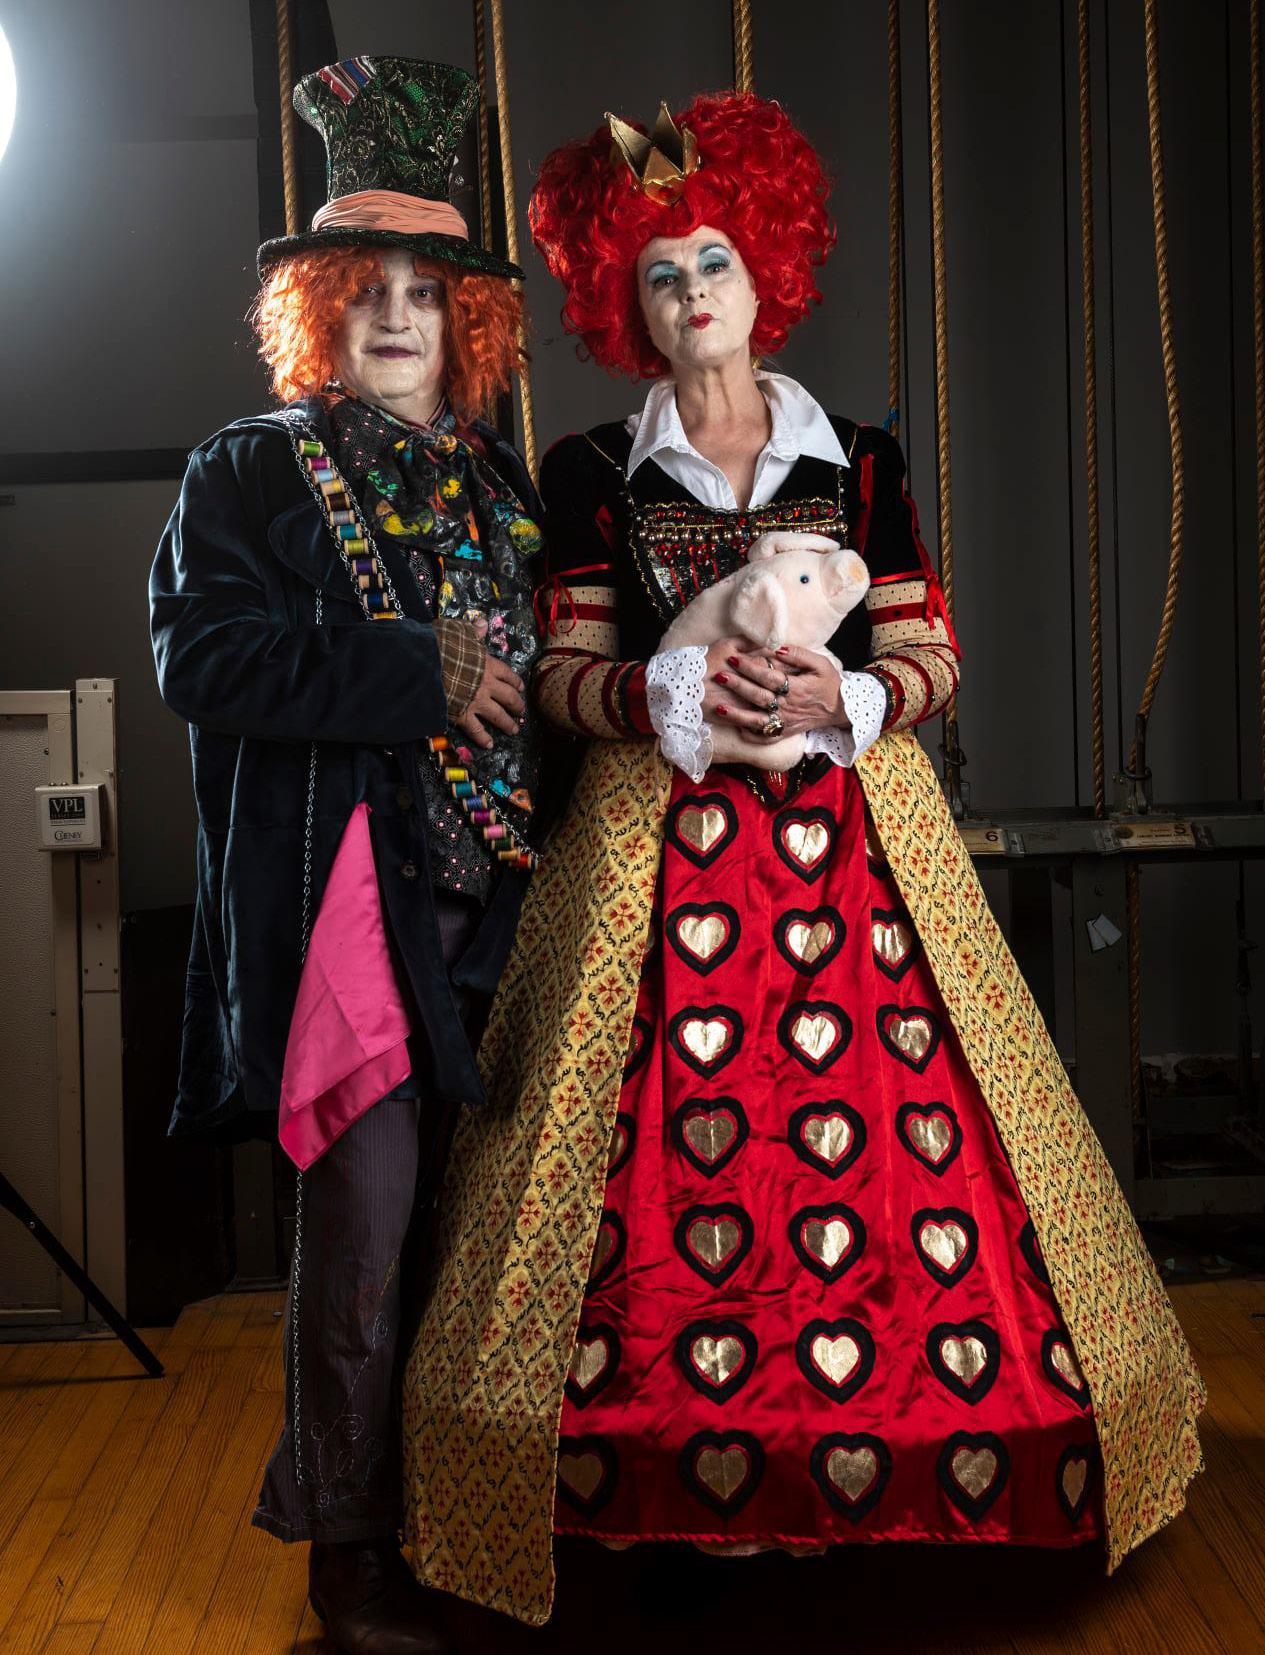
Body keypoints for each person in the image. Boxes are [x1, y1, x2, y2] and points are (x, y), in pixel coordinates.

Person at [398, 92, 1205, 1627]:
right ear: (623, 304)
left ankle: (887, 1473)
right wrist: (671, 688)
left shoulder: (866, 459)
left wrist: (845, 695)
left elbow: (929, 653)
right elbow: (563, 676)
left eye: (712, 259)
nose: (691, 293)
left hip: (855, 854)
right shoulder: (587, 468)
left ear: (765, 267)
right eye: (658, 275)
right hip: (653, 861)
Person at [150, 56, 544, 1655]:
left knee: (485, 1248)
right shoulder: (250, 466)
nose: (396, 316)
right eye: (365, 289)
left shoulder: (499, 480)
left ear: (469, 320)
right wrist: (407, 669)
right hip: (352, 912)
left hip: (505, 904)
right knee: (365, 1248)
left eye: (425, 292)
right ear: (321, 308)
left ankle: (463, 1528)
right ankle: (349, 1559)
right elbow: (200, 659)